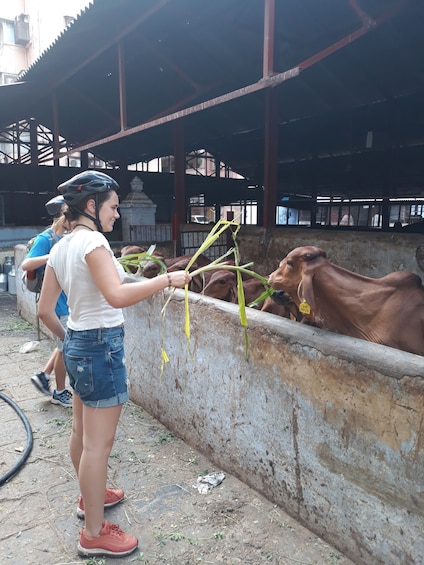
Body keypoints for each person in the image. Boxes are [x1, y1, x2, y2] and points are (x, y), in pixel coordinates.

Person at [37, 170, 191, 558]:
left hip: (77, 341)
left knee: (81, 433)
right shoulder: (94, 242)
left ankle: (90, 497)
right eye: (113, 207)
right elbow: (117, 295)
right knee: (98, 448)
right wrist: (168, 280)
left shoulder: (61, 246)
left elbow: (44, 310)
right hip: (100, 347)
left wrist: (68, 340)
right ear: (91, 205)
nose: (117, 215)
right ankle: (93, 533)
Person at [21, 195, 73, 408]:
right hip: (57, 304)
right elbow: (26, 264)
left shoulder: (68, 238)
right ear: (64, 215)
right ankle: (60, 392)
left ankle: (44, 375)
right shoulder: (47, 239)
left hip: (69, 300)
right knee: (64, 347)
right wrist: (51, 256)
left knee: (63, 346)